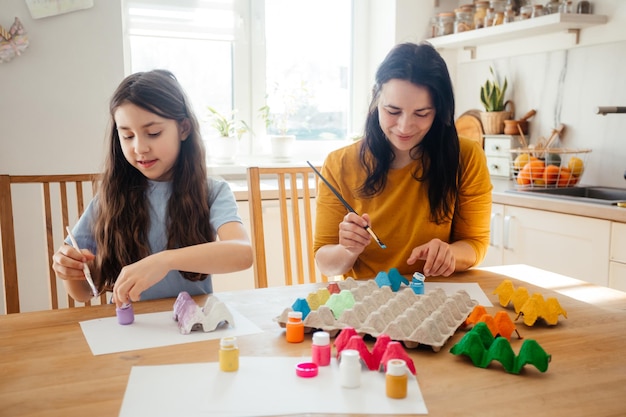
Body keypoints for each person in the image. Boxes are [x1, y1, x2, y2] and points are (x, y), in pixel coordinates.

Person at [52, 69, 253, 307]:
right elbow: (83, 293)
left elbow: (242, 254)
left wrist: (165, 261)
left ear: (184, 128)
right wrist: (69, 272)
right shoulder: (109, 197)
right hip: (132, 328)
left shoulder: (212, 191)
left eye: (153, 133)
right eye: (127, 136)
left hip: (192, 326)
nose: (140, 148)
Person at [314, 42, 492, 280]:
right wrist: (348, 249)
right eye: (393, 111)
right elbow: (326, 264)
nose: (404, 127)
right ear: (376, 100)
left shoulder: (466, 157)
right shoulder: (340, 163)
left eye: (421, 113)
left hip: (434, 295)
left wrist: (449, 253)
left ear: (439, 111)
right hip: (368, 303)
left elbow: (475, 244)